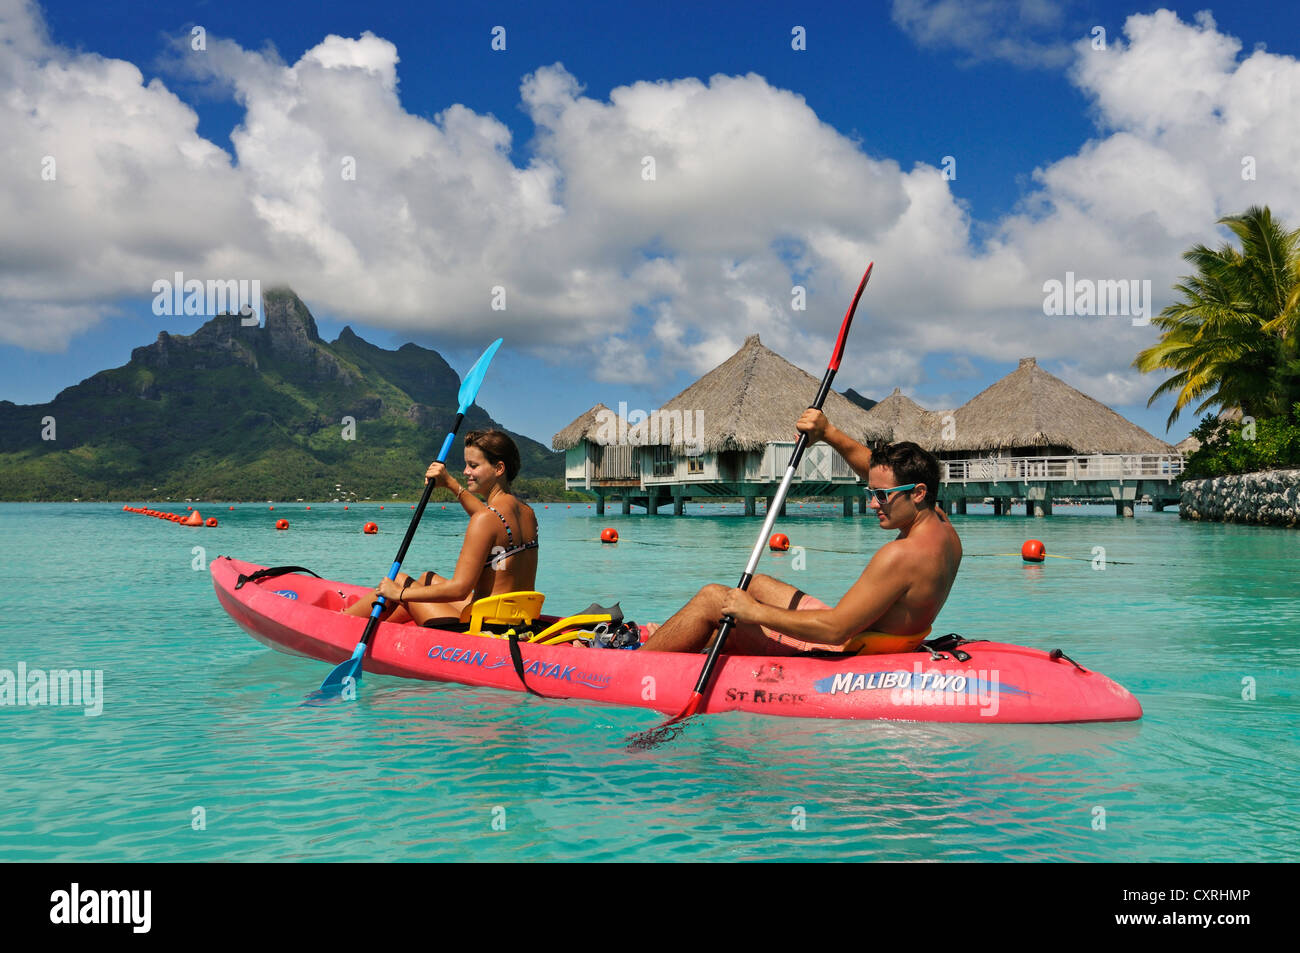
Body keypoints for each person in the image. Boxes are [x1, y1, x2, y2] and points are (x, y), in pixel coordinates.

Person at [639, 410, 961, 656]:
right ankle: (685, 639)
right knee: (760, 582)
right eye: (869, 492)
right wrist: (828, 433)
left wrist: (755, 612)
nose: (872, 503)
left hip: (846, 650)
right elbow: (880, 473)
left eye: (880, 496)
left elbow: (836, 630)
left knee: (713, 598)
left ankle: (636, 663)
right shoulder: (942, 526)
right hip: (878, 634)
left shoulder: (900, 555)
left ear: (917, 493)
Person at [343, 429, 539, 627]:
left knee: (401, 580)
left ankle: (343, 622)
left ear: (499, 468)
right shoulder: (527, 513)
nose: (465, 472)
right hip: (518, 621)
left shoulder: (485, 519)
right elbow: (494, 524)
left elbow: (460, 589)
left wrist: (399, 593)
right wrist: (450, 484)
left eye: (473, 465)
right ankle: (383, 629)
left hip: (484, 630)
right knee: (427, 578)